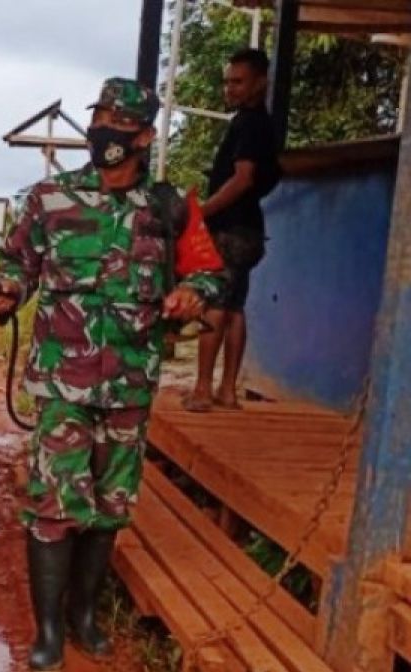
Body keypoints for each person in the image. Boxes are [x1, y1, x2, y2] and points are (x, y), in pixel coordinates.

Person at [0, 78, 226, 672]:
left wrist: (193, 292)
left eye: (119, 120)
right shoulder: (48, 199)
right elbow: (18, 267)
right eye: (101, 116)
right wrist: (5, 291)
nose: (105, 128)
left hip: (130, 385)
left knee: (112, 504)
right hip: (63, 383)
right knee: (54, 501)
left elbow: (212, 274)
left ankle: (85, 614)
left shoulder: (171, 207)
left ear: (143, 135)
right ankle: (49, 630)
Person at [185, 48, 281, 412]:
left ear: (260, 83)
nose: (231, 88)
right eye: (227, 81)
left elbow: (243, 179)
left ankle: (202, 390)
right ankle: (227, 390)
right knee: (235, 307)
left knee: (214, 305)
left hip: (232, 230)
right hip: (250, 231)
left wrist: (202, 212)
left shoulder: (249, 124)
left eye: (238, 81)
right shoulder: (259, 123)